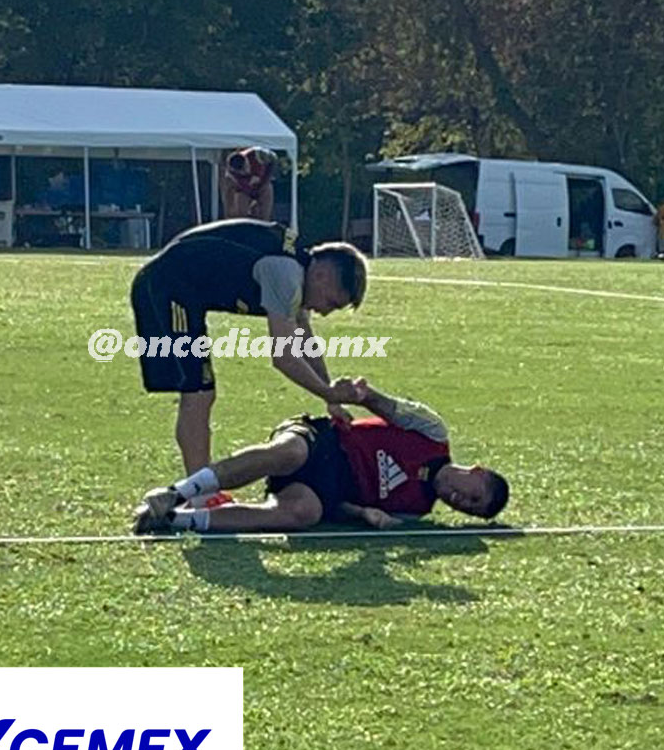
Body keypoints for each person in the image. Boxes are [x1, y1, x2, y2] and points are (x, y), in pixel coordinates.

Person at [129, 217, 369, 503]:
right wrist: (327, 391)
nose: (326, 312)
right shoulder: (286, 274)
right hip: (165, 288)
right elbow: (283, 356)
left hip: (183, 293)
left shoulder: (297, 271)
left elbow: (304, 339)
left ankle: (200, 488)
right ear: (322, 276)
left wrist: (330, 398)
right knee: (197, 392)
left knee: (201, 392)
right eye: (331, 303)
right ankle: (199, 493)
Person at [132, 381, 508, 534]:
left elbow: (341, 508)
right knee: (289, 452)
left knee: (303, 514)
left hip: (328, 487)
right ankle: (175, 493)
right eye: (473, 495)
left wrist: (363, 514)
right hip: (326, 441)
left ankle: (175, 521)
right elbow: (387, 406)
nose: (461, 502)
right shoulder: (434, 434)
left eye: (468, 510)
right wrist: (362, 394)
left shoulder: (416, 509)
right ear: (477, 470)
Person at [219, 147, 277, 221]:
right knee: (240, 213)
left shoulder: (257, 154)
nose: (246, 172)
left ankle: (264, 221)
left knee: (267, 193)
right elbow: (232, 187)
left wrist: (266, 179)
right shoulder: (231, 173)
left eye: (245, 167)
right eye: (241, 172)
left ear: (246, 160)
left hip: (262, 185)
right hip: (244, 189)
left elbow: (274, 159)